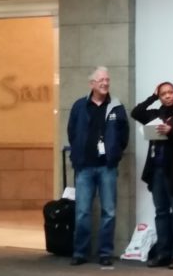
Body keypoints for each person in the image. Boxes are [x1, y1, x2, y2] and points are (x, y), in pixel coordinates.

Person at [67, 66, 129, 266]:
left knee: (109, 211)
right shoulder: (79, 106)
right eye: (101, 80)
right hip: (84, 167)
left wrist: (115, 153)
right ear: (92, 84)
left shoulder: (117, 106)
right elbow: (72, 132)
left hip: (107, 168)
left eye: (107, 80)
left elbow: (123, 135)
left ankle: (105, 253)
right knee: (82, 211)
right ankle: (80, 252)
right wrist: (78, 154)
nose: (105, 83)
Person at [131, 82, 173, 269]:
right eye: (163, 94)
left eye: (170, 92)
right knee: (161, 214)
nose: (167, 96)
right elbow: (135, 112)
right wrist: (151, 96)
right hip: (156, 171)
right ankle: (163, 253)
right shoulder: (155, 115)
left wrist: (171, 132)